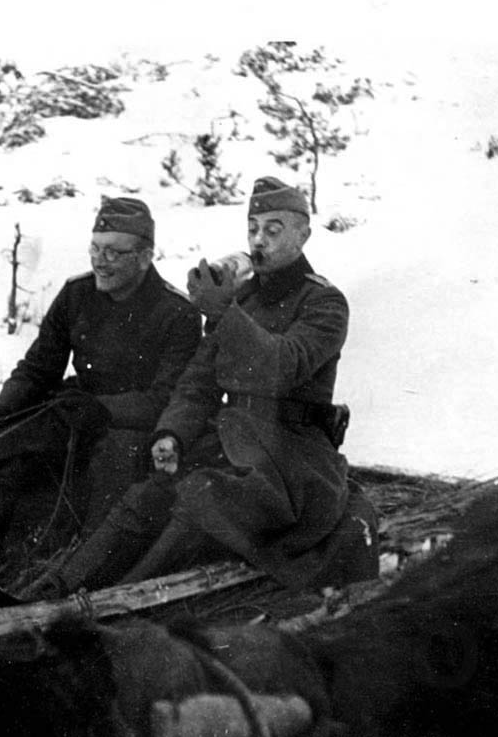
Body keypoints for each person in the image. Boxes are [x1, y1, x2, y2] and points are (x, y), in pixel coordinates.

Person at [20, 175, 377, 599]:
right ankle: (48, 593)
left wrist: (225, 313)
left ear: (303, 235)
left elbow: (281, 366)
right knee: (151, 491)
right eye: (253, 229)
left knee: (199, 499)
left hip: (294, 458)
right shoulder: (244, 301)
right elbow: (198, 384)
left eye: (273, 230)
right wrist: (172, 433)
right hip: (235, 440)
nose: (258, 240)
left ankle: (117, 605)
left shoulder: (323, 303)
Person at [0, 196, 202, 612]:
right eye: (95, 249)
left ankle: (55, 597)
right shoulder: (77, 294)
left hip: (130, 429)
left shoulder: (177, 313)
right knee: (5, 451)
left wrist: (102, 410)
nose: (100, 261)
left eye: (113, 252)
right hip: (73, 413)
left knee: (113, 467)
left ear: (145, 257)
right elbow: (37, 368)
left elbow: (168, 399)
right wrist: (6, 412)